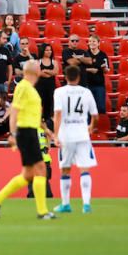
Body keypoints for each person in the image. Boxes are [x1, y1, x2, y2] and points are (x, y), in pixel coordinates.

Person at [0, 59, 55, 220]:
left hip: (31, 131)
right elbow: (15, 111)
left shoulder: (29, 88)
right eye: (39, 68)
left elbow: (31, 113)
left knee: (27, 175)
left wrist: (46, 130)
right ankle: (42, 211)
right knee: (40, 169)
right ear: (35, 71)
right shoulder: (23, 87)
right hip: (25, 132)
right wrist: (13, 134)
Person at [52, 65, 99, 213]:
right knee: (84, 168)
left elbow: (58, 114)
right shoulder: (86, 92)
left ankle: (66, 204)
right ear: (78, 77)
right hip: (82, 134)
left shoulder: (59, 91)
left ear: (65, 77)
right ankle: (86, 205)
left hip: (66, 135)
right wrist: (91, 126)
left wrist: (55, 134)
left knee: (65, 169)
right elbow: (95, 115)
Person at [84, 35, 110, 116]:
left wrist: (104, 68)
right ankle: (89, 127)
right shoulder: (85, 54)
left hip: (99, 85)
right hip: (87, 85)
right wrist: (90, 70)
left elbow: (106, 70)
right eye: (90, 41)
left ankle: (101, 127)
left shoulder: (103, 55)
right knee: (87, 108)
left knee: (101, 107)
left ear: (98, 43)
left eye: (94, 41)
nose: (92, 43)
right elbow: (80, 69)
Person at [35, 42, 58, 124]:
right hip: (40, 87)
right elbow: (38, 73)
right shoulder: (38, 61)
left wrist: (46, 71)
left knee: (49, 104)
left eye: (50, 50)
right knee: (40, 104)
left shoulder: (54, 61)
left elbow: (55, 72)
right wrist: (49, 73)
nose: (49, 52)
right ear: (42, 51)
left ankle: (48, 123)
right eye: (47, 50)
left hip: (51, 87)